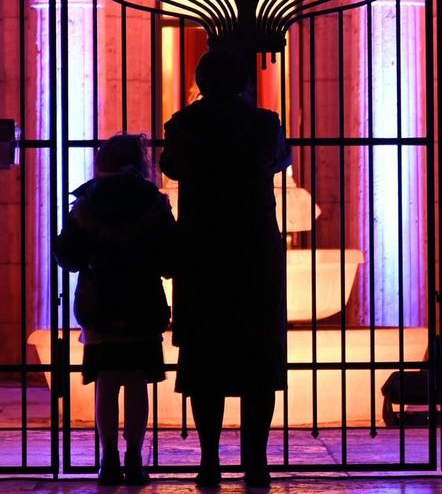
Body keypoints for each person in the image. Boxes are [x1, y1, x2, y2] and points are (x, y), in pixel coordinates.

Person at [160, 46, 291, 488]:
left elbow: (171, 166)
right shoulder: (264, 123)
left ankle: (209, 460)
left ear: (200, 81)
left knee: (205, 364)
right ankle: (257, 461)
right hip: (254, 248)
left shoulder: (183, 124)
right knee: (258, 360)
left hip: (204, 250)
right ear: (241, 82)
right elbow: (279, 160)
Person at [54, 133, 176, 485]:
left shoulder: (87, 202)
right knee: (137, 381)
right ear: (139, 162)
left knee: (106, 382)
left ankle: (108, 458)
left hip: (99, 302)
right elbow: (170, 256)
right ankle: (134, 458)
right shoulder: (151, 202)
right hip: (142, 301)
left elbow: (68, 255)